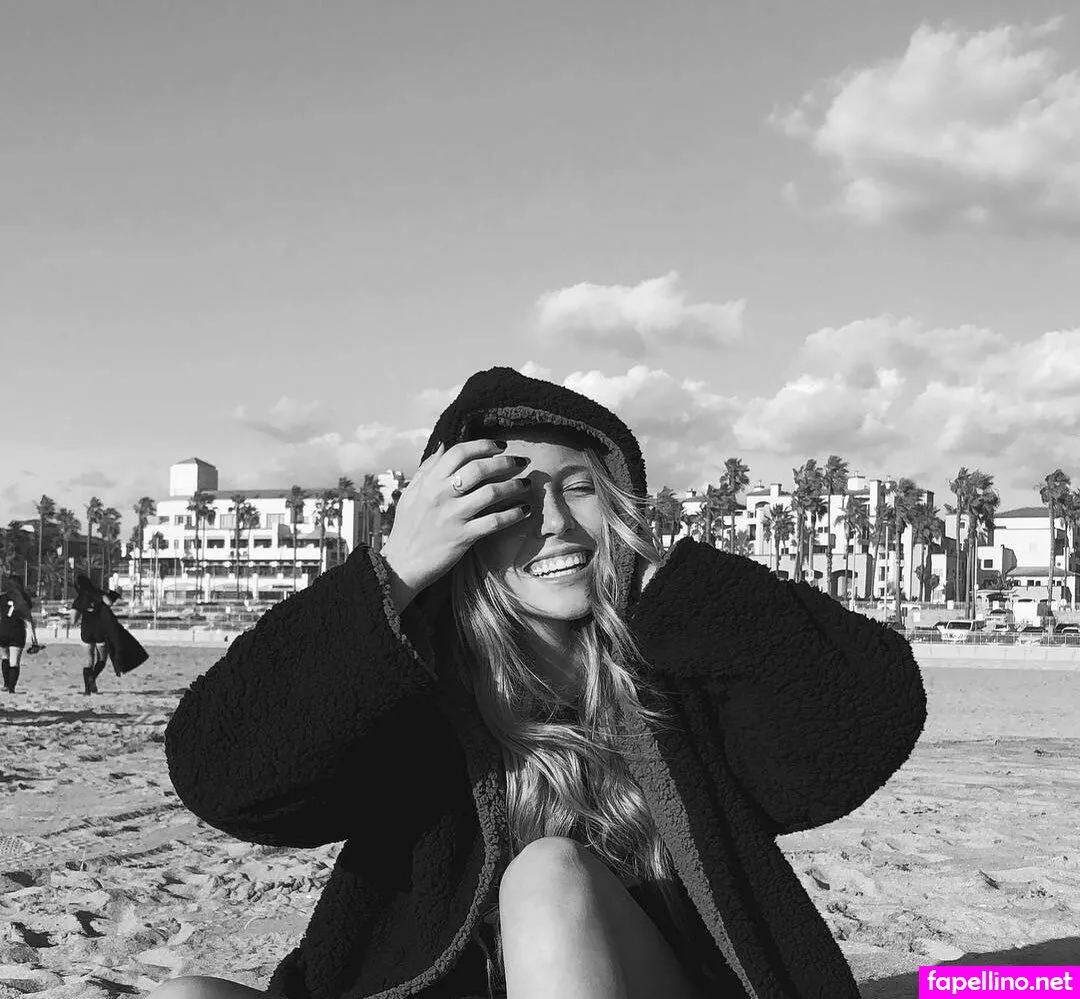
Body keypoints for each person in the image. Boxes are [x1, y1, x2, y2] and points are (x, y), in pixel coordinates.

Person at [155, 366, 927, 999]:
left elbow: (869, 713)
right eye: (513, 499)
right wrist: (393, 576)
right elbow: (222, 776)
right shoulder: (417, 697)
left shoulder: (677, 683)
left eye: (578, 487)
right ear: (461, 531)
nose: (553, 519)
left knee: (549, 878)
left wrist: (670, 585)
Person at [72, 575, 148, 694]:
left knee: (89, 660)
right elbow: (109, 602)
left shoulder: (78, 600)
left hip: (86, 631)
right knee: (102, 659)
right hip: (99, 631)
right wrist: (114, 594)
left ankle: (87, 690)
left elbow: (73, 621)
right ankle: (92, 678)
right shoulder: (98, 593)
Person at [1, 575, 39, 694]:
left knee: (5, 657)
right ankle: (12, 688)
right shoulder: (23, 598)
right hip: (17, 631)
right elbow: (28, 620)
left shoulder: (2, 597)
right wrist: (34, 641)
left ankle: (6, 684)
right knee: (14, 661)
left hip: (3, 630)